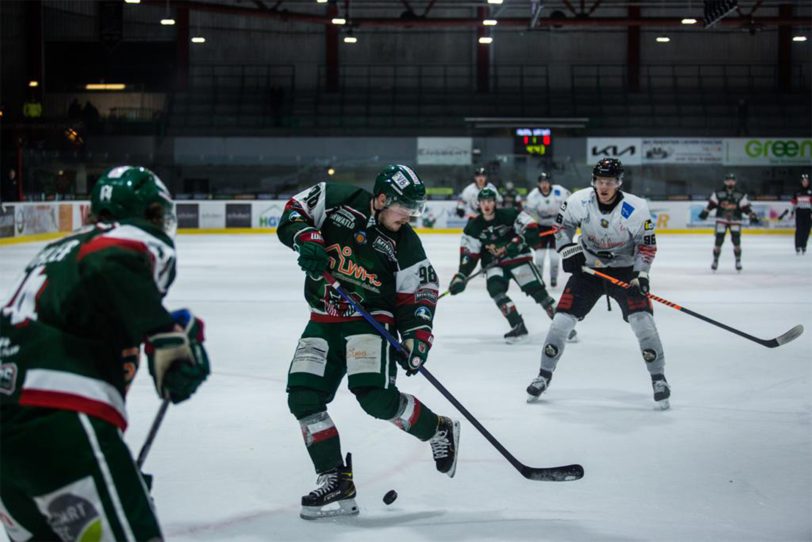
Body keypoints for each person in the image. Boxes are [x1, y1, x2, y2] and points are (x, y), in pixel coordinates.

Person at [0, 166, 210, 541]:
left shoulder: (56, 250)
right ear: (149, 214)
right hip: (53, 415)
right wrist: (162, 333)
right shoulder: (128, 237)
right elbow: (106, 263)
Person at [277, 164, 460, 520]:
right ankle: (334, 478)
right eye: (403, 206)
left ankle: (437, 428)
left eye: (414, 208)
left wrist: (417, 338)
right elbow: (294, 210)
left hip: (371, 322)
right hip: (323, 317)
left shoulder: (405, 242)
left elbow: (421, 291)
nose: (409, 215)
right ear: (380, 198)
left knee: (376, 399)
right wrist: (306, 237)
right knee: (303, 396)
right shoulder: (337, 199)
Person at [525, 158, 670, 409]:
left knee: (643, 322)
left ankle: (659, 378)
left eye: (610, 182)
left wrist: (641, 275)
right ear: (594, 181)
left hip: (625, 273)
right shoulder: (577, 201)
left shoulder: (636, 208)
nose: (604, 187)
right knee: (561, 323)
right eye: (600, 181)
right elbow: (561, 227)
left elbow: (646, 246)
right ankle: (543, 375)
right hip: (588, 271)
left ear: (619, 183)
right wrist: (569, 250)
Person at [447, 187, 560, 343]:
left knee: (537, 291)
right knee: (495, 289)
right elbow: (469, 254)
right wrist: (461, 276)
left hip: (518, 258)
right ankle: (517, 326)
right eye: (483, 202)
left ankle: (563, 327)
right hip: (494, 264)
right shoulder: (473, 227)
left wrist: (517, 243)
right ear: (478, 204)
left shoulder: (511, 214)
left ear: (495, 202)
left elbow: (531, 228)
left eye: (490, 201)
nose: (486, 205)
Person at [698, 173, 759, 272]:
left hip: (735, 220)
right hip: (721, 219)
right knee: (718, 241)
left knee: (736, 241)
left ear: (735, 182)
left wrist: (751, 214)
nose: (730, 181)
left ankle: (738, 261)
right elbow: (711, 204)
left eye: (732, 180)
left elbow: (745, 207)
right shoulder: (718, 193)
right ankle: (715, 260)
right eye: (728, 180)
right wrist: (705, 211)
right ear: (725, 181)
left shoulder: (741, 194)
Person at [524, 172, 571, 287]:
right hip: (541, 227)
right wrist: (531, 225)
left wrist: (566, 219)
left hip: (556, 227)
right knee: (539, 257)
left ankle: (553, 278)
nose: (544, 185)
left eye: (547, 182)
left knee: (555, 257)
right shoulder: (533, 196)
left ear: (550, 183)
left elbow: (570, 203)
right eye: (542, 182)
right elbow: (527, 213)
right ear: (538, 184)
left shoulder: (560, 191)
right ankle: (539, 278)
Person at [790, 173, 811, 254]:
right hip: (799, 212)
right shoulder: (797, 192)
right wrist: (792, 212)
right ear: (801, 182)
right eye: (804, 181)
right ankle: (798, 246)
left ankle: (803, 246)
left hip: (808, 213)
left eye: (806, 181)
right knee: (799, 230)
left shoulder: (810, 192)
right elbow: (794, 203)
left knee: (807, 230)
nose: (805, 182)